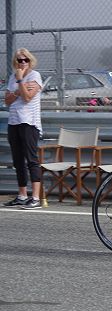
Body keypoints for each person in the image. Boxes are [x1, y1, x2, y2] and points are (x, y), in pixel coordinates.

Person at [3, 48, 43, 209]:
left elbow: (27, 97)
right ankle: (22, 195)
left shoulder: (35, 76)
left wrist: (20, 83)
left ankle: (35, 198)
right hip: (13, 122)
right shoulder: (13, 76)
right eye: (20, 60)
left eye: (26, 59)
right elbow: (7, 101)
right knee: (17, 160)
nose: (23, 62)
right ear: (16, 62)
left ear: (30, 60)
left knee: (31, 159)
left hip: (29, 122)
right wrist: (20, 87)